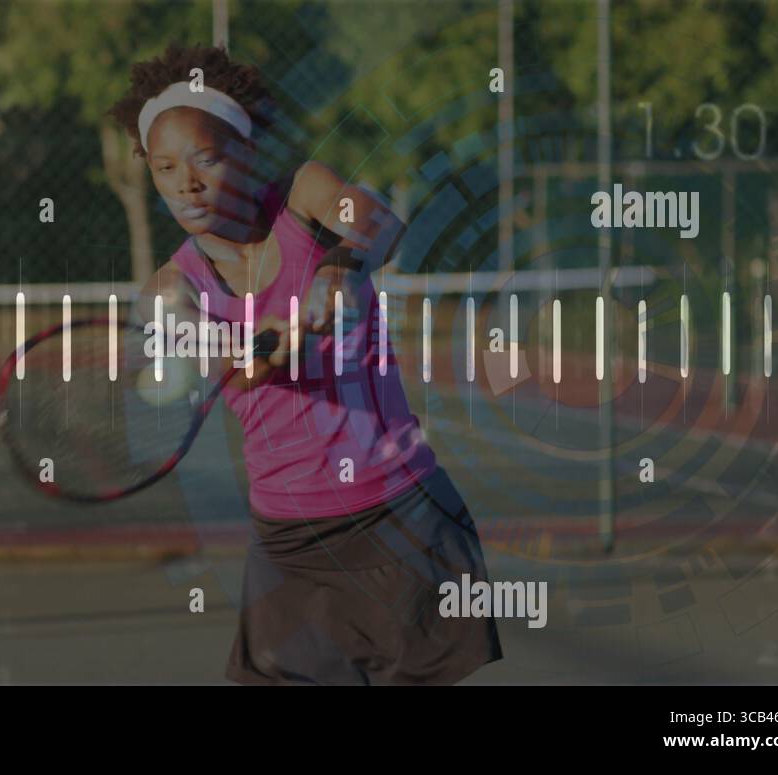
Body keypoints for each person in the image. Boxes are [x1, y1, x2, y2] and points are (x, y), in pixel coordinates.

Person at [107, 42, 503, 685]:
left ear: (248, 152)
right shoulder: (168, 292)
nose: (187, 183)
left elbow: (378, 222)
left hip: (401, 517)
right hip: (289, 546)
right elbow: (239, 370)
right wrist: (266, 341)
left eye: (206, 158)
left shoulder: (306, 195)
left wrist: (341, 265)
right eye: (165, 167)